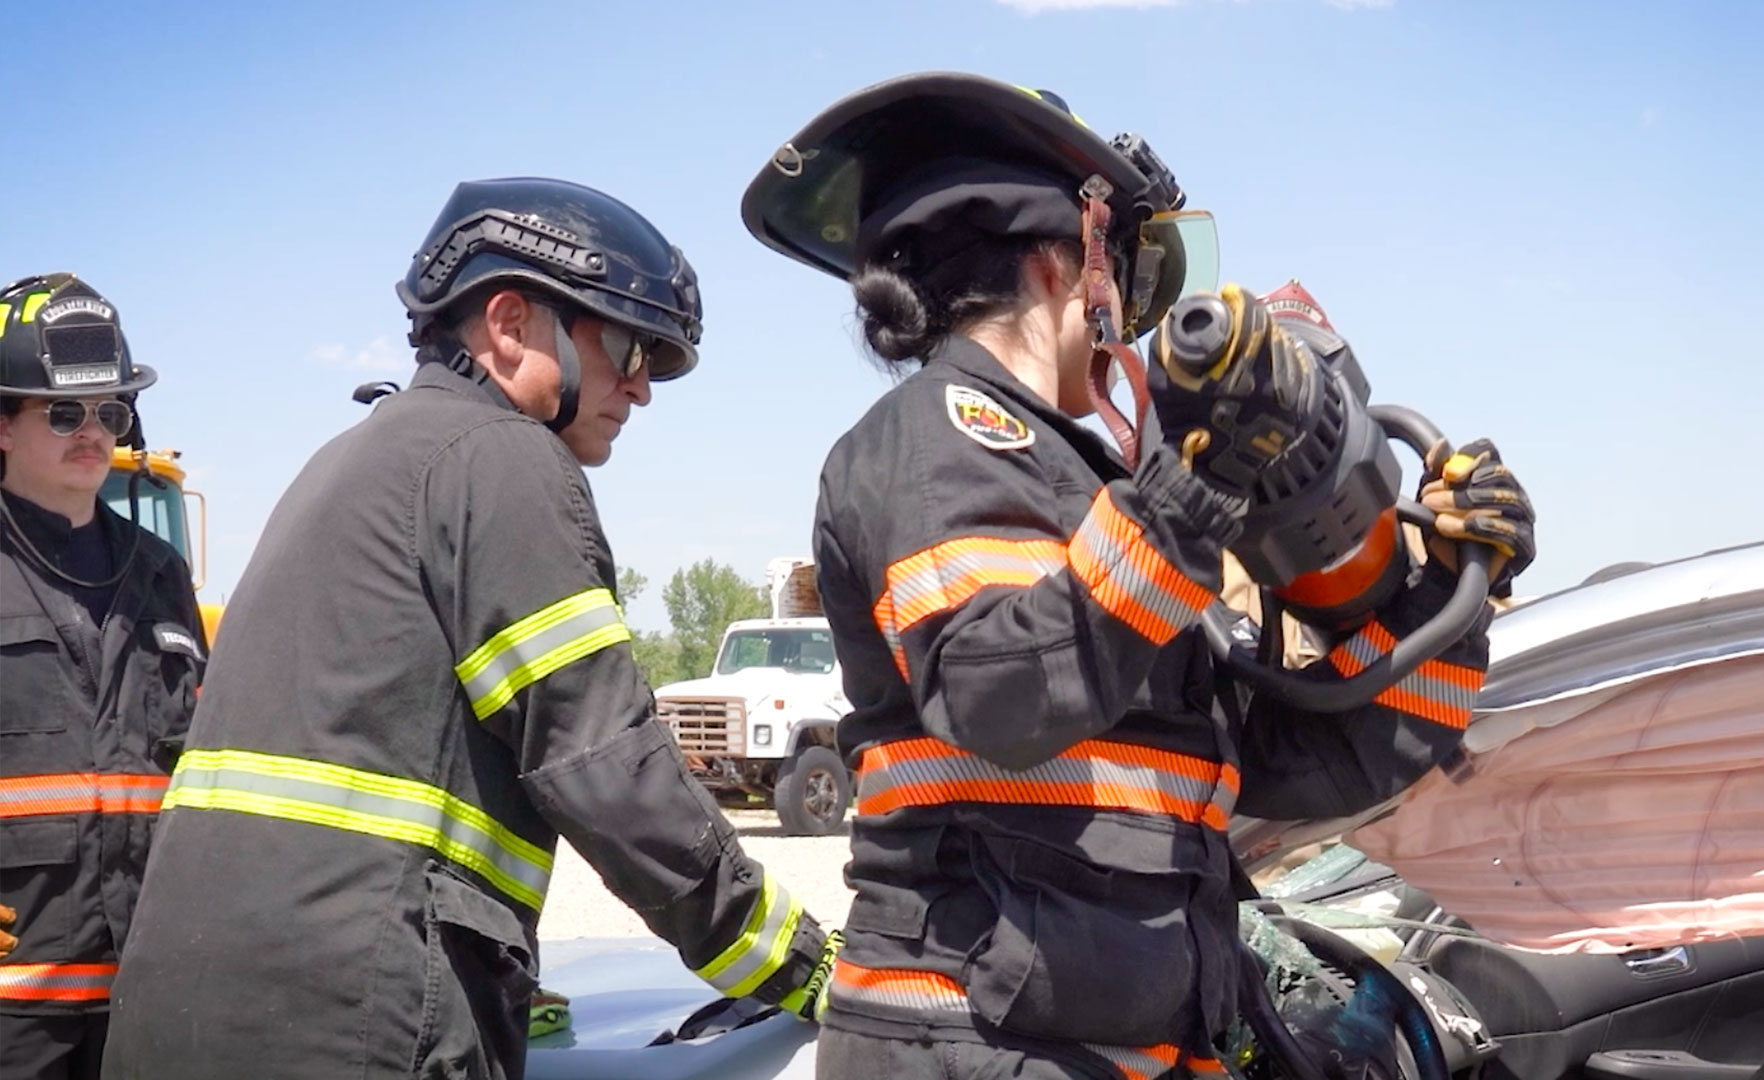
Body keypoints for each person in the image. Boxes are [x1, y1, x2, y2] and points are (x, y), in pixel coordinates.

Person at [738, 74, 1536, 1079]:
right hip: (977, 1047)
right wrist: (1188, 492)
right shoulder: (944, 435)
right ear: (1070, 259)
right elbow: (999, 692)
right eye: (1129, 268)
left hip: (1104, 1049)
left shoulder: (1092, 491)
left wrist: (1457, 596)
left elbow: (1296, 760)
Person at [101, 178, 837, 1080]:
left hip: (186, 1011)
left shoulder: (357, 460)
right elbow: (606, 771)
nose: (641, 388)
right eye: (630, 347)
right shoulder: (503, 459)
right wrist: (812, 970)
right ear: (511, 323)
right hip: (350, 1020)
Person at [0, 273, 208, 1080]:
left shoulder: (160, 574)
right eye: (61, 411)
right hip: (16, 1012)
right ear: (4, 425)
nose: (92, 432)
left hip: (149, 996)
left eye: (109, 412)